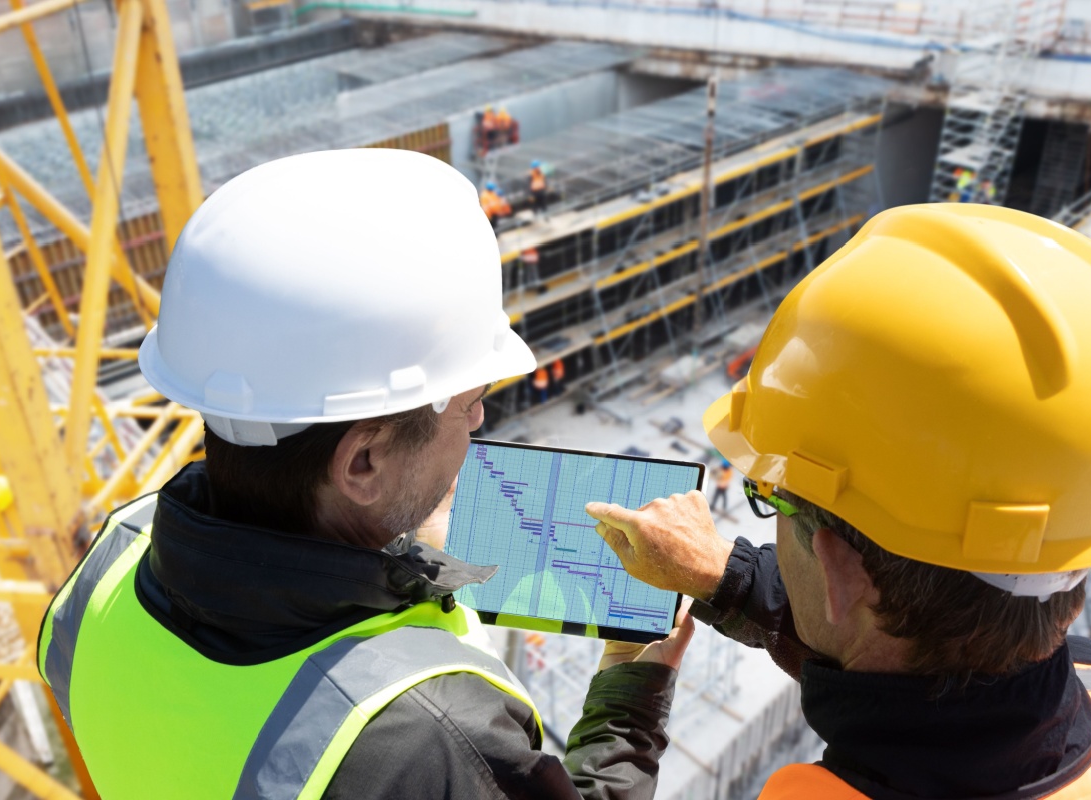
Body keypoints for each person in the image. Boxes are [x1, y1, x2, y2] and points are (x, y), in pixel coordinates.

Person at [37, 150, 693, 799]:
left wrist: (390, 553)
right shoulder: (431, 740)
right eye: (469, 403)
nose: (481, 418)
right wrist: (629, 692)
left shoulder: (109, 562)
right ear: (363, 462)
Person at [585, 204, 1091, 798]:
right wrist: (726, 575)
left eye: (771, 498)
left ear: (841, 570)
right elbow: (912, 681)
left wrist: (626, 700)